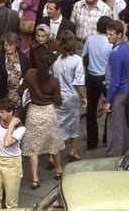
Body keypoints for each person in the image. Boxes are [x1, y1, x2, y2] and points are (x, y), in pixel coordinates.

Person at [19, 51, 64, 189]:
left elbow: (21, 90)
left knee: (33, 148)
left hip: (33, 112)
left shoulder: (30, 74)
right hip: (48, 112)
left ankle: (34, 179)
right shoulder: (54, 81)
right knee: (53, 143)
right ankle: (58, 169)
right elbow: (58, 101)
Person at [51, 30, 85, 162]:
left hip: (58, 96)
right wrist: (84, 97)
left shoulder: (55, 58)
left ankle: (52, 155)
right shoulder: (77, 60)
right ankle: (73, 150)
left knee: (57, 124)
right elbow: (79, 82)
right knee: (74, 123)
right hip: (72, 97)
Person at [0, 99, 25, 210]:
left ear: (11, 112)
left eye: (3, 112)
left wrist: (11, 125)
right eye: (0, 111)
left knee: (11, 201)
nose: (0, 114)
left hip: (12, 163)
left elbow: (7, 143)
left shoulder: (20, 128)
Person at [82, 16, 113, 150]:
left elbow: (84, 55)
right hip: (105, 77)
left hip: (91, 76)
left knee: (91, 109)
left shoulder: (90, 39)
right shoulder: (110, 43)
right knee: (110, 107)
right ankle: (107, 136)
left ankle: (92, 141)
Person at [103, 20, 129, 157]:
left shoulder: (115, 53)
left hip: (117, 92)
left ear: (119, 35)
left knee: (115, 127)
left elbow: (114, 80)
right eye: (107, 34)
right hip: (124, 88)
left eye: (111, 34)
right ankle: (124, 150)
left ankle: (115, 154)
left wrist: (108, 100)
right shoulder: (126, 46)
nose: (108, 37)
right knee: (121, 123)